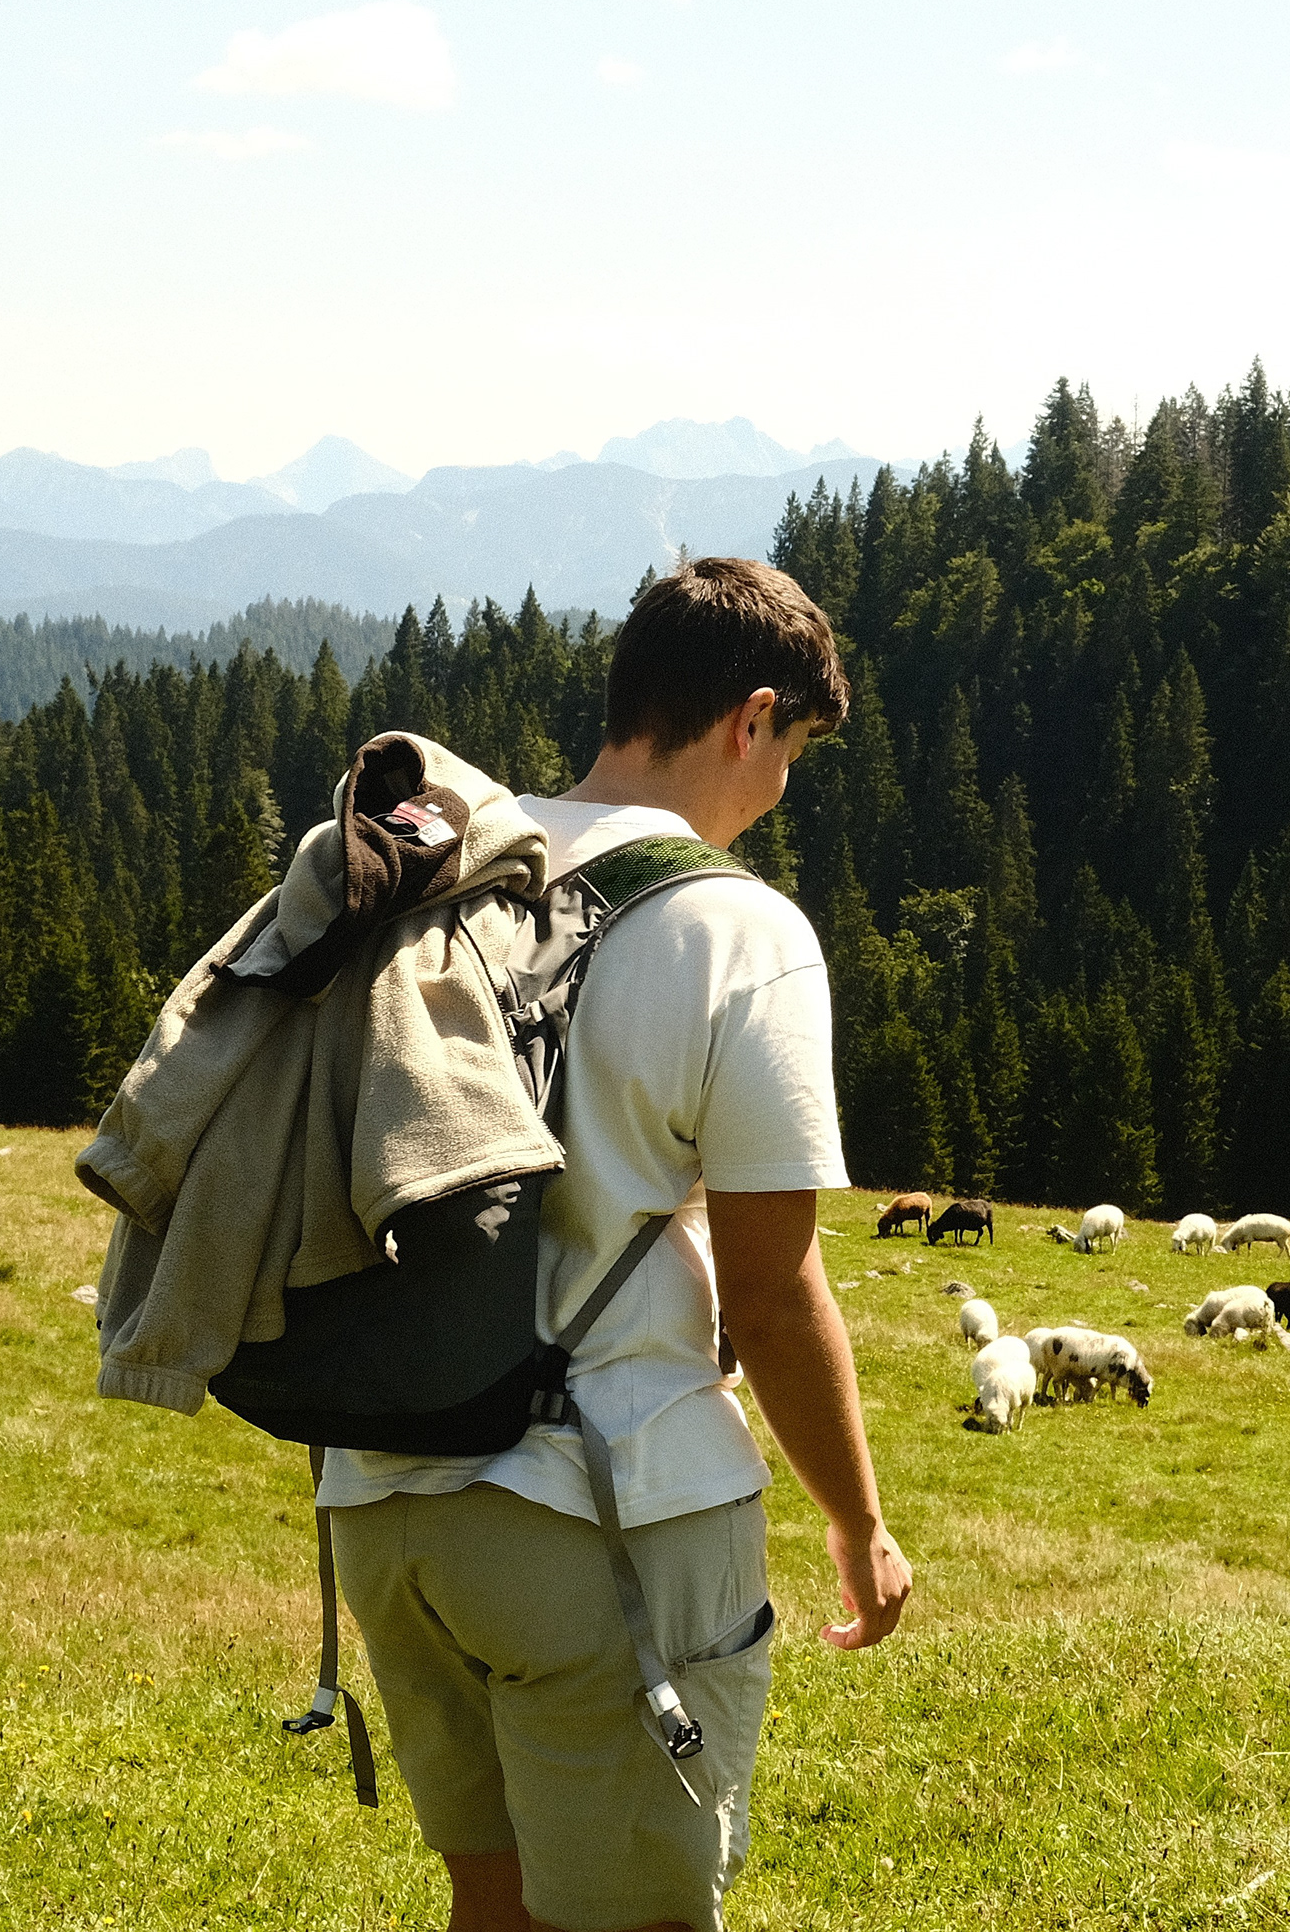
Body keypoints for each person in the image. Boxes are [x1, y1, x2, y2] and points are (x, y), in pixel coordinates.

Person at [319, 556, 914, 1932]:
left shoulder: (441, 868)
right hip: (604, 1505)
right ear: (749, 719)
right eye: (792, 754)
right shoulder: (738, 930)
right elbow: (770, 1292)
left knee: (494, 1906)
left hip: (384, 1496)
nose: (781, 789)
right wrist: (858, 1522)